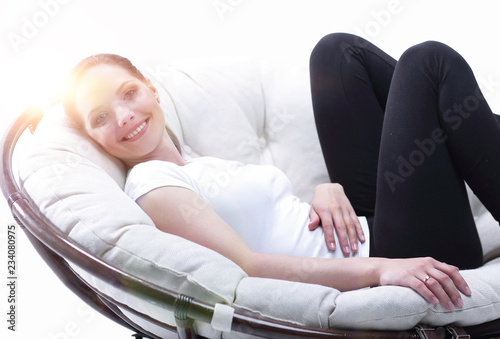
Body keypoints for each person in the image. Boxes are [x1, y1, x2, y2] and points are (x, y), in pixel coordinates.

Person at [62, 33, 500, 313]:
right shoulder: (152, 184)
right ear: (91, 137)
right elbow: (249, 267)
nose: (122, 117)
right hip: (399, 253)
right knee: (429, 61)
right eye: (100, 117)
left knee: (336, 53)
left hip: (368, 227)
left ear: (152, 92)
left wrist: (324, 191)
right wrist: (381, 270)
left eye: (128, 93)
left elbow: (275, 222)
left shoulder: (196, 163)